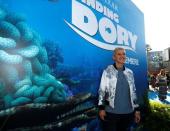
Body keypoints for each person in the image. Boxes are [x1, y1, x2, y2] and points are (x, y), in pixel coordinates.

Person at [98, 47, 140, 131]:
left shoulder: (130, 72)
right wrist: (101, 108)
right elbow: (102, 90)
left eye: (124, 54)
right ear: (114, 57)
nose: (122, 56)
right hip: (111, 113)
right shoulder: (107, 71)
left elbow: (133, 92)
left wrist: (137, 110)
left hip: (128, 113)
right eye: (119, 54)